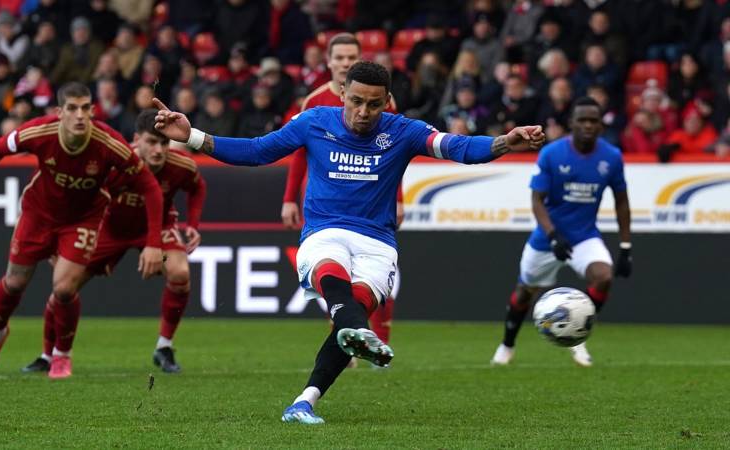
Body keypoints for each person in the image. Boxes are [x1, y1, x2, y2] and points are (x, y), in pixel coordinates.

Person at [152, 61, 544, 424]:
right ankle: (359, 332)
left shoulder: (403, 131)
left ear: (385, 103)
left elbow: (458, 148)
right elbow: (257, 151)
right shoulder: (313, 122)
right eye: (356, 101)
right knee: (335, 276)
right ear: (342, 93)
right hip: (325, 232)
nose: (363, 112)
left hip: (378, 243)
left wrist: (505, 142)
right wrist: (193, 137)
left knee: (350, 318)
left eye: (373, 105)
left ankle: (304, 401)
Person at [0, 82, 164, 379]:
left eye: (85, 108)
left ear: (92, 111)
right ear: (59, 112)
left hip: (82, 219)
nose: (80, 115)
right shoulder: (39, 132)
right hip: (38, 214)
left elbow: (150, 188)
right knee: (14, 283)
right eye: (72, 108)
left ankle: (61, 355)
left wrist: (154, 242)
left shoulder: (109, 143)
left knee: (64, 288)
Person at [22, 109, 207, 374]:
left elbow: (198, 187)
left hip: (156, 232)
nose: (158, 150)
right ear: (136, 140)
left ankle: (164, 346)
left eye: (164, 143)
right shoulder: (115, 161)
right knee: (63, 288)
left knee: (179, 272)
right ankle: (47, 354)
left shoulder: (181, 166)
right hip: (106, 230)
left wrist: (194, 224)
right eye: (151, 142)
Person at [280, 33, 399, 359]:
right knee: (333, 274)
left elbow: (395, 155)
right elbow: (299, 152)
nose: (345, 62)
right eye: (340, 58)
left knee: (376, 272)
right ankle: (348, 337)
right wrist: (290, 197)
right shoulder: (315, 102)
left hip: (371, 204)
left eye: (351, 57)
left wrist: (397, 198)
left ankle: (378, 334)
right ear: (329, 62)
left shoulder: (379, 100)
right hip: (325, 204)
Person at [490, 96, 632, 369]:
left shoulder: (611, 157)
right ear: (571, 123)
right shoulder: (552, 154)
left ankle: (577, 334)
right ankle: (507, 344)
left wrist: (626, 247)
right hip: (547, 238)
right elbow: (537, 200)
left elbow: (622, 201)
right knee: (523, 293)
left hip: (584, 236)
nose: (588, 125)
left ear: (601, 125)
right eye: (582, 120)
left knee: (603, 277)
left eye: (594, 121)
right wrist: (553, 234)